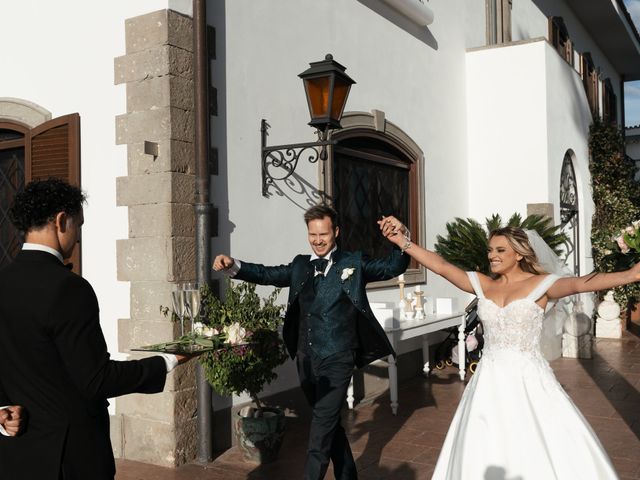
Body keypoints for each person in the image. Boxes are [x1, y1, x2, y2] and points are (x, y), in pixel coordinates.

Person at [379, 218, 635, 480]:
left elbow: (583, 283)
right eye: (490, 250)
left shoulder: (543, 285)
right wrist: (403, 242)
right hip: (488, 381)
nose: (492, 255)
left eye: (500, 250)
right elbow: (443, 267)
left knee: (537, 442)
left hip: (529, 380)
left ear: (519, 253)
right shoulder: (483, 283)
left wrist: (631, 275)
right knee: (484, 443)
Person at [0, 178, 191, 480]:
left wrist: (2, 412)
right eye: (79, 226)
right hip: (70, 459)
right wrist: (168, 359)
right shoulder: (68, 288)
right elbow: (96, 380)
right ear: (61, 220)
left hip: (17, 458)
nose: (77, 238)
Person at [213, 204, 410, 480]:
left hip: (339, 357)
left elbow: (392, 266)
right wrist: (234, 265)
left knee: (319, 431)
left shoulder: (353, 263)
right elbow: (267, 274)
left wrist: (400, 239)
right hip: (306, 359)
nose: (318, 240)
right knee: (329, 424)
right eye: (313, 234)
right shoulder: (300, 266)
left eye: (324, 234)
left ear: (336, 232)